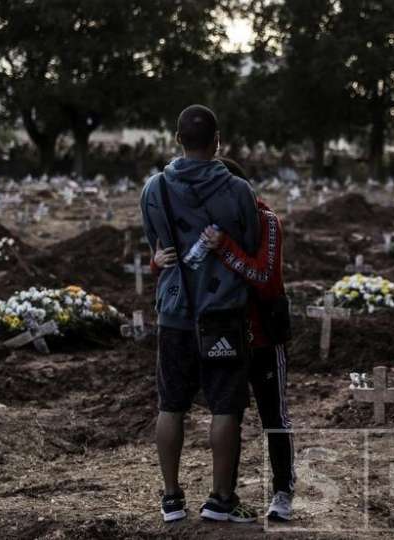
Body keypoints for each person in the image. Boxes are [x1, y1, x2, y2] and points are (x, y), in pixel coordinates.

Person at [153, 158, 296, 522]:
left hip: (260, 335)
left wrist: (227, 248)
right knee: (227, 410)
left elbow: (264, 277)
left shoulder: (266, 221)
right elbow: (182, 261)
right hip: (220, 333)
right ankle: (224, 495)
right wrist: (156, 263)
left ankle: (282, 490)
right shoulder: (207, 220)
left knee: (273, 415)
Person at [140, 105, 260, 524]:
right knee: (225, 407)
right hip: (223, 313)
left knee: (170, 405)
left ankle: (172, 499)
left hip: (174, 311)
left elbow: (154, 246)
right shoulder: (239, 191)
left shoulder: (154, 188)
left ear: (177, 140)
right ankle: (220, 500)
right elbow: (250, 244)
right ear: (217, 141)